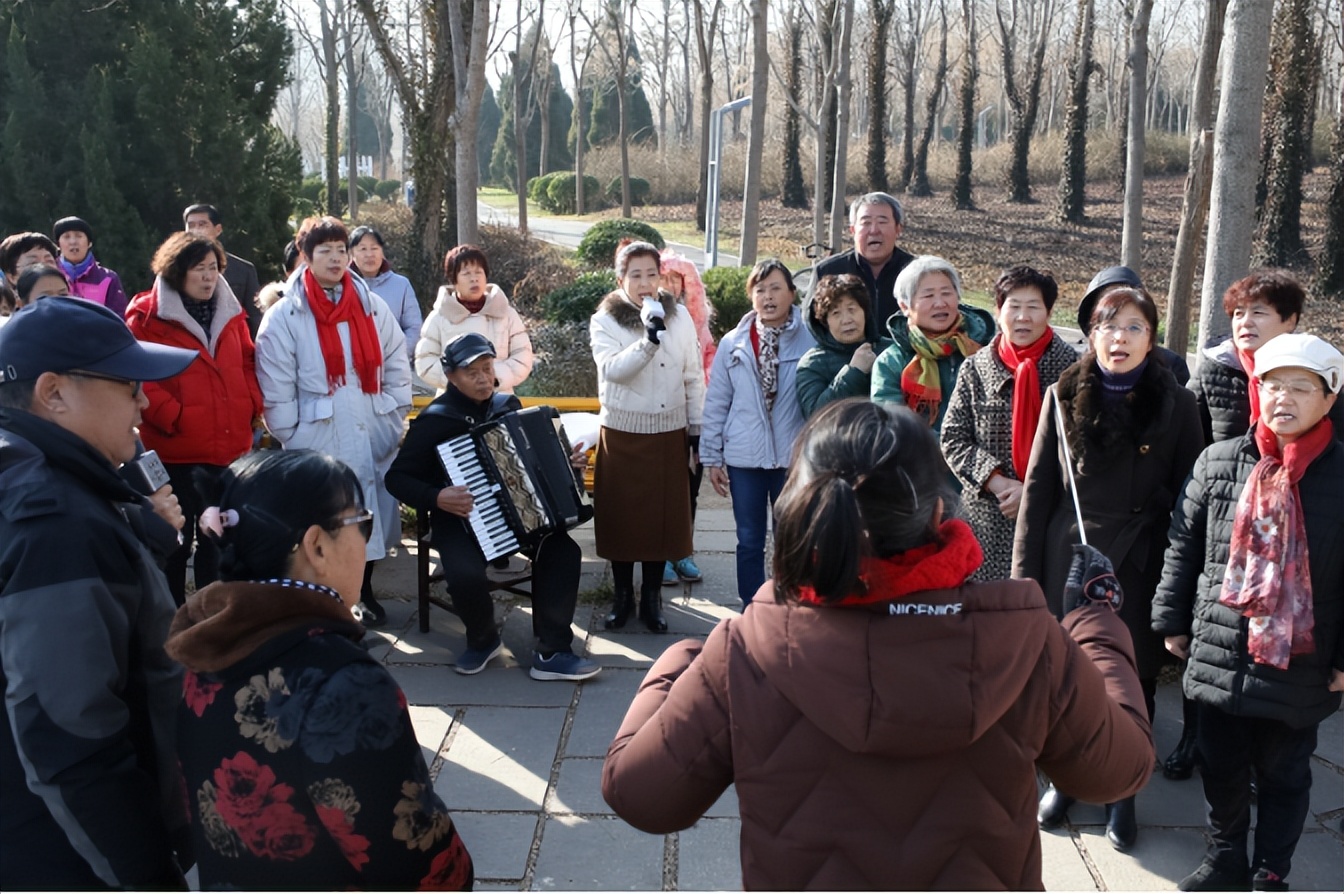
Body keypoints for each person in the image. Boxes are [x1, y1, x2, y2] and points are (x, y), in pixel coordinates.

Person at [601, 399, 1154, 890]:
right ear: (939, 513)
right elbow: (1117, 771)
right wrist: (1096, 626)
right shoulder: (1027, 640)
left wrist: (681, 661)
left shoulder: (745, 651)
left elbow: (641, 796)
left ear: (803, 509)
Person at [166, 449, 474, 890]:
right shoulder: (345, 682)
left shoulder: (201, 647)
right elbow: (414, 862)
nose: (366, 540)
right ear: (315, 545)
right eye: (361, 523)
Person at [0, 297, 198, 889]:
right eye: (128, 382)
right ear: (54, 392)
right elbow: (71, 738)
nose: (144, 400)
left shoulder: (39, 482)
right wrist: (144, 876)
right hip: (65, 851)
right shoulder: (57, 521)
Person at [1013, 286, 1203, 852]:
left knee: (1132, 681)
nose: (1119, 338)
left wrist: (1179, 578)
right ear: (1091, 335)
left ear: (1153, 338)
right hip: (1066, 558)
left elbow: (1193, 500)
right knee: (1065, 676)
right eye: (1108, 326)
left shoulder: (1179, 404)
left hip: (1139, 562)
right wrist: (1025, 580)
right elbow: (1038, 493)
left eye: (1134, 327)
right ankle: (1070, 780)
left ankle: (1124, 790)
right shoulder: (1060, 396)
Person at [1152, 333, 1344, 893]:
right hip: (1221, 643)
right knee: (1220, 763)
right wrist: (1172, 620)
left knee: (1284, 771)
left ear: (1329, 398)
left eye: (1300, 387)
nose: (1283, 397)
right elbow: (1183, 544)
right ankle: (1224, 857)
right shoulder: (1218, 461)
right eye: (1272, 385)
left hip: (1302, 658)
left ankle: (1271, 870)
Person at [386, 333, 601, 680]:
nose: (484, 378)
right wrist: (437, 497)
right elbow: (397, 479)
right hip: (460, 519)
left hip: (521, 516)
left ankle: (553, 651)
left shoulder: (507, 407)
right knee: (464, 573)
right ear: (451, 376)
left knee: (563, 551)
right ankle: (483, 638)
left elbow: (538, 463)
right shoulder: (435, 421)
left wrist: (568, 463)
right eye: (473, 372)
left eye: (487, 369)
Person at [255, 216, 411, 627]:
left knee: (368, 514)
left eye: (342, 250)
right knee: (321, 519)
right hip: (317, 433)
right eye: (325, 251)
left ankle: (367, 593)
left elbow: (395, 356)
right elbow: (275, 382)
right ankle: (324, 599)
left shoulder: (368, 303)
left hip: (370, 423)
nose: (337, 259)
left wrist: (394, 407)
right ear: (306, 257)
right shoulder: (287, 314)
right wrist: (292, 432)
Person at [125, 232, 263, 604]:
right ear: (176, 272)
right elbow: (137, 375)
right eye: (198, 269)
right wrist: (175, 416)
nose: (208, 277)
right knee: (175, 541)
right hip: (176, 452)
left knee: (219, 538)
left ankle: (212, 614)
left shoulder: (232, 314)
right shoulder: (147, 316)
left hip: (228, 447)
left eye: (213, 268)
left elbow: (247, 362)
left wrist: (252, 405)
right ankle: (170, 619)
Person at [590, 241, 705, 632]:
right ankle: (623, 596)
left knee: (661, 522)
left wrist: (697, 429)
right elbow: (613, 370)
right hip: (623, 433)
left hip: (668, 432)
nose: (644, 283)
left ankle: (653, 598)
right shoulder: (605, 319)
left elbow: (692, 374)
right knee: (622, 520)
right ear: (620, 278)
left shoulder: (679, 316)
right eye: (635, 274)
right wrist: (647, 340)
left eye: (651, 274)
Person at [940, 266, 1078, 581]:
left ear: (1050, 311)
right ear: (999, 310)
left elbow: (1080, 449)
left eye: (1033, 307)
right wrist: (997, 482)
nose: (1023, 317)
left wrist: (1032, 492)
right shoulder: (975, 368)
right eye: (1014, 306)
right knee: (984, 618)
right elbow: (953, 439)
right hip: (986, 521)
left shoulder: (1071, 371)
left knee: (1039, 616)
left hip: (1052, 519)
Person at [701, 258, 815, 607]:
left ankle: (788, 604)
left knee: (790, 537)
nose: (768, 297)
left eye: (776, 288)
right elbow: (717, 400)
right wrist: (711, 457)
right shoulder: (733, 343)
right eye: (760, 289)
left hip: (792, 460)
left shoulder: (811, 339)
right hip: (744, 458)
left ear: (792, 294)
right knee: (749, 538)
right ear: (751, 296)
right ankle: (751, 608)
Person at [870, 255, 996, 435]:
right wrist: (951, 449)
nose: (940, 303)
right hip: (920, 459)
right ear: (905, 306)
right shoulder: (891, 362)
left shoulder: (983, 350)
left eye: (946, 293)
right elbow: (892, 425)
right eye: (928, 295)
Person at [659, 249, 715, 586]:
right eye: (662, 278)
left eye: (674, 280)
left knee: (689, 489)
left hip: (695, 417)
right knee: (661, 490)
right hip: (659, 417)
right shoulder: (646, 317)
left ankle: (683, 550)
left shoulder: (697, 323)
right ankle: (660, 554)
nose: (667, 286)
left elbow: (706, 370)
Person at [415, 244, 533, 394]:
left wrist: (493, 378)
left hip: (498, 399)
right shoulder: (440, 316)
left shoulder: (506, 313)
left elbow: (523, 355)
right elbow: (425, 361)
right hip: (454, 403)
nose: (474, 279)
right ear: (453, 279)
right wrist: (460, 380)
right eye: (466, 273)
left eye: (479, 272)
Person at [808, 192, 914, 326]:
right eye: (866, 222)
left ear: (898, 229)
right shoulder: (828, 271)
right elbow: (811, 324)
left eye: (882, 222)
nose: (874, 230)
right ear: (853, 230)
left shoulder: (916, 272)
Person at [796, 272, 892, 417]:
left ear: (865, 312)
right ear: (825, 321)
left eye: (852, 309)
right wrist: (854, 372)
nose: (846, 320)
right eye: (836, 313)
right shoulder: (812, 364)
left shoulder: (891, 351)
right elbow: (816, 417)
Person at [1077, 265, 1190, 385]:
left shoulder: (1173, 366)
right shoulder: (1070, 377)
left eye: (1133, 327)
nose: (1120, 337)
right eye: (1110, 324)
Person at [184, 203, 264, 336]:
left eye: (202, 225)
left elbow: (256, 319)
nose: (196, 230)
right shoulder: (174, 267)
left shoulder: (243, 270)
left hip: (230, 340)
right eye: (191, 225)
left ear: (218, 229)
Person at [350, 224, 422, 363]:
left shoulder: (401, 285)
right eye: (363, 249)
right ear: (351, 254)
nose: (369, 254)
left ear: (382, 252)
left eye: (375, 248)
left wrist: (397, 356)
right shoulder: (341, 286)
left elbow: (414, 327)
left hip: (394, 364)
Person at [52, 216, 127, 316]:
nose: (73, 242)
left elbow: (119, 319)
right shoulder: (48, 275)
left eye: (79, 236)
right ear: (58, 244)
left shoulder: (108, 279)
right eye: (66, 237)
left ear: (89, 243)